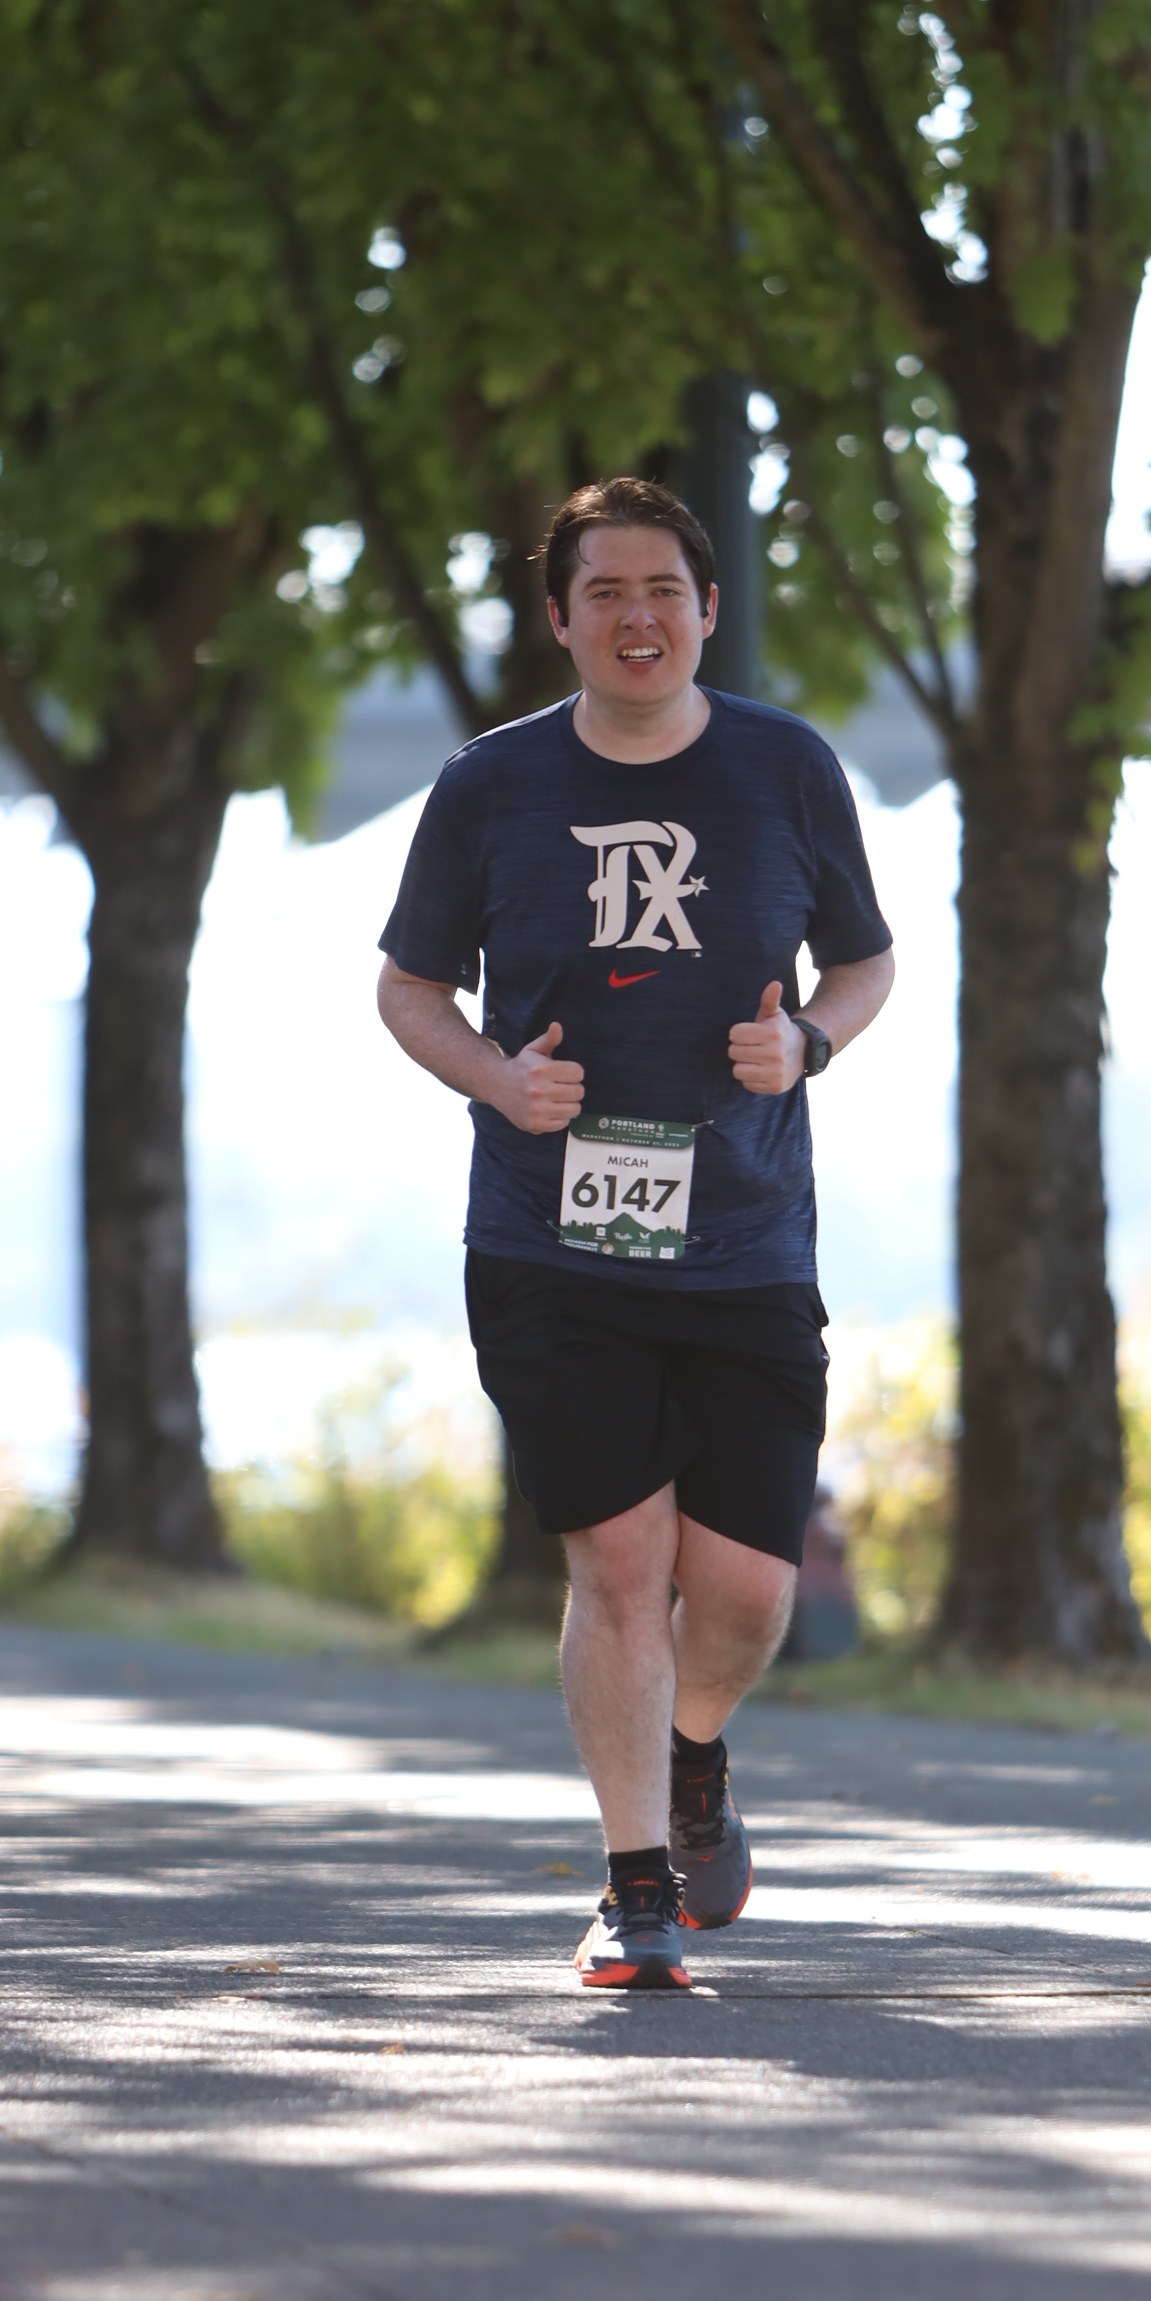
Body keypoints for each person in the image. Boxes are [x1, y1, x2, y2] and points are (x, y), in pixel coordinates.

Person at [375, 478, 896, 1989]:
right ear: (561, 620)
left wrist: (806, 1043)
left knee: (746, 1595)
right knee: (616, 1563)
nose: (637, 617)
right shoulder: (491, 785)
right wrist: (496, 1079)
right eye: (603, 592)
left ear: (708, 611)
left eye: (663, 589)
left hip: (746, 1236)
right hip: (551, 1242)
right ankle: (635, 1887)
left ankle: (693, 1749)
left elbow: (865, 964)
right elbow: (409, 988)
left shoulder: (787, 769)